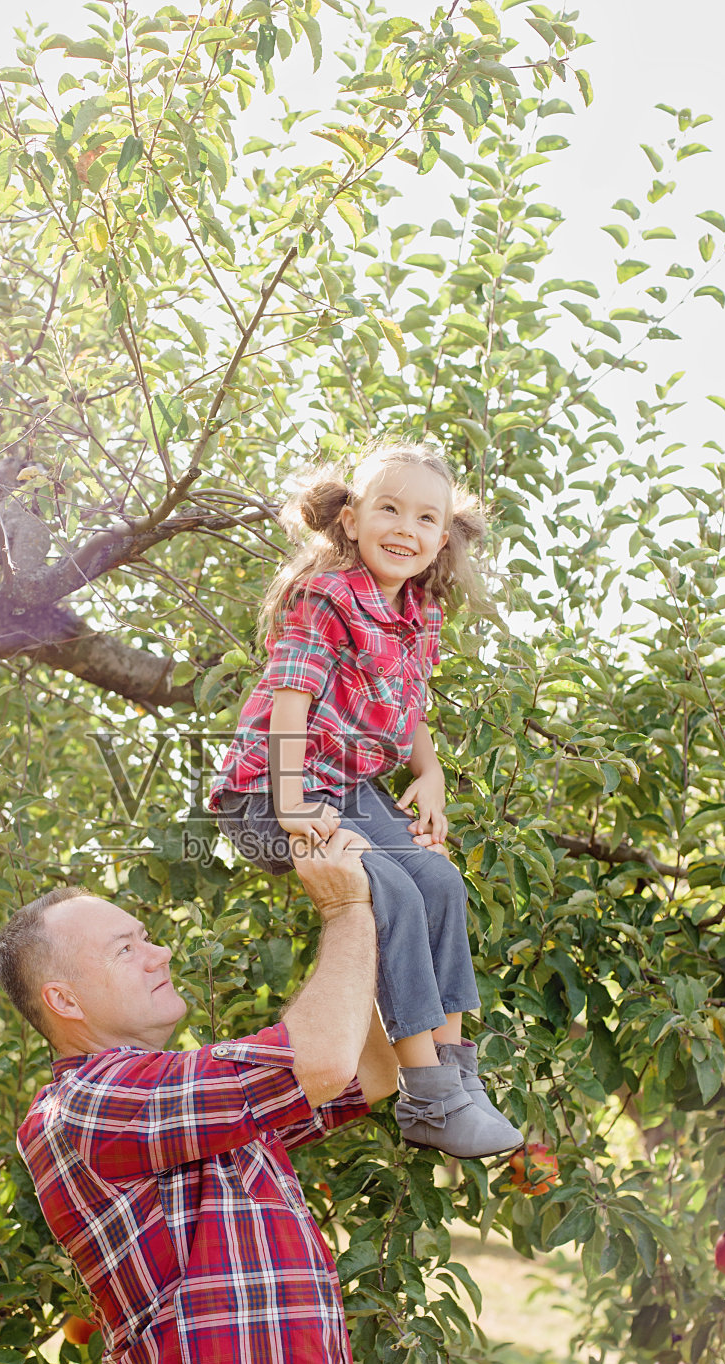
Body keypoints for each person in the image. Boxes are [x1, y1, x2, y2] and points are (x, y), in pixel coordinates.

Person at [0, 829, 397, 1364]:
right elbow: (318, 1056)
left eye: (148, 937)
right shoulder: (92, 1103)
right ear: (64, 1001)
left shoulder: (190, 1114)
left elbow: (368, 1069)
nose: (159, 954)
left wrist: (398, 904)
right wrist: (345, 909)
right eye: (125, 949)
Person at [208, 438, 521, 1159]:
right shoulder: (326, 596)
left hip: (344, 788)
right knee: (392, 892)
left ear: (442, 536)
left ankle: (456, 1076)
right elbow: (290, 701)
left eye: (424, 518)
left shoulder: (419, 613)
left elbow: (410, 708)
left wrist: (429, 772)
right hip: (265, 793)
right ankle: (427, 1096)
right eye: (388, 509)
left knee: (439, 880)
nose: (404, 528)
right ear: (351, 519)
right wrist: (291, 803)